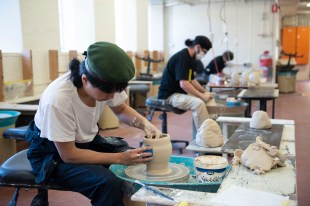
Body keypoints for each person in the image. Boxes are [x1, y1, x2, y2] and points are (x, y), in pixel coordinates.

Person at [25, 42, 162, 206]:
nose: (111, 97)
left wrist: (145, 124)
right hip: (52, 153)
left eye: (115, 92)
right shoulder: (58, 100)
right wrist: (119, 158)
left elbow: (120, 109)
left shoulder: (106, 82)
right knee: (107, 183)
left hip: (83, 143)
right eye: (107, 93)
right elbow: (69, 155)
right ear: (84, 79)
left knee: (133, 163)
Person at [158, 35, 213, 137]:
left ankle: (199, 136)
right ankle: (205, 138)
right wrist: (201, 96)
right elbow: (184, 84)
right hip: (169, 95)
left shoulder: (191, 59)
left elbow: (192, 80)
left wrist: (204, 91)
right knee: (199, 104)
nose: (204, 55)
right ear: (197, 47)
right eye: (204, 52)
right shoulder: (183, 58)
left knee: (203, 100)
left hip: (178, 93)